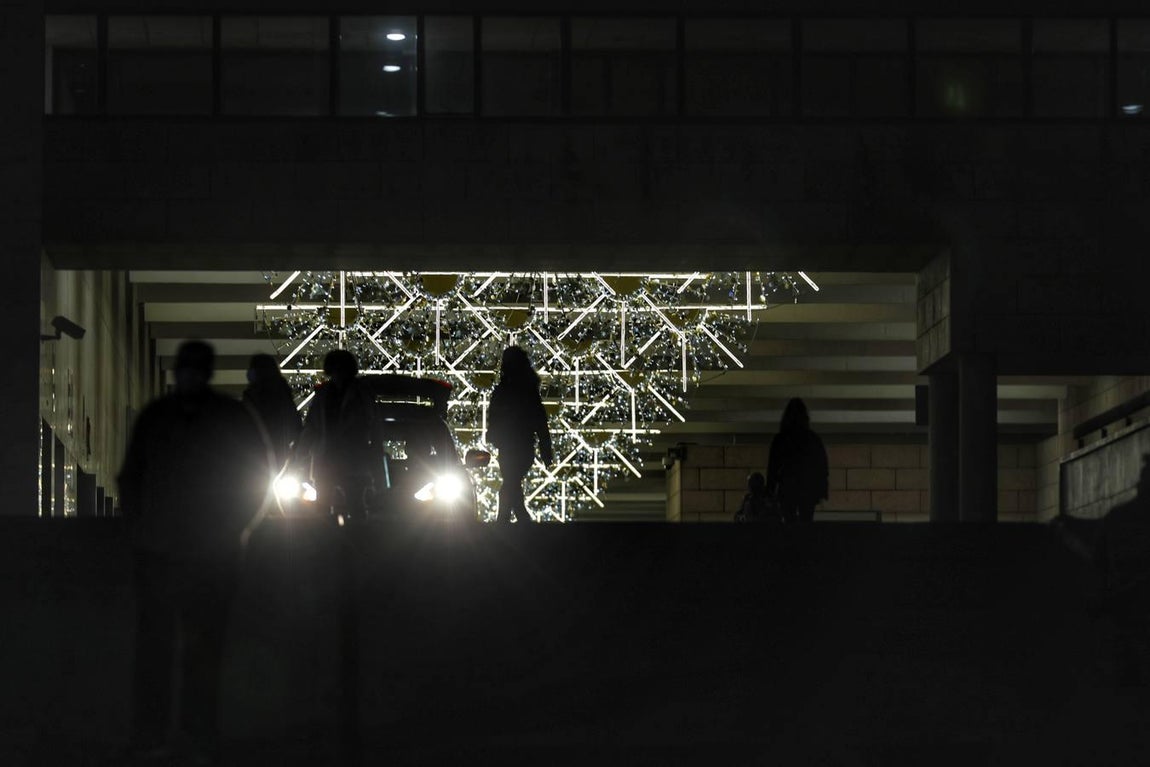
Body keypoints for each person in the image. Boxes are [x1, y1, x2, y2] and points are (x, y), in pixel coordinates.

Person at [117, 340, 273, 765]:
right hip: (210, 551)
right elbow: (257, 476)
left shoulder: (158, 417)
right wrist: (235, 528)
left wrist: (139, 528)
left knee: (157, 646)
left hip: (164, 548)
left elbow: (131, 476)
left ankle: (153, 735)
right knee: (202, 648)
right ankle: (196, 733)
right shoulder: (232, 418)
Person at [292, 349, 376, 515]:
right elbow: (312, 425)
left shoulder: (357, 393)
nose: (338, 374)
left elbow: (312, 426)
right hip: (334, 455)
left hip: (345, 455)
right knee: (332, 503)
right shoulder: (329, 393)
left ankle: (340, 535)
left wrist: (301, 451)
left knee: (351, 502)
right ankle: (342, 535)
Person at [487, 346, 554, 523]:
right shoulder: (526, 390)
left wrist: (493, 434)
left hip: (512, 446)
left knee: (509, 484)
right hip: (520, 446)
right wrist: (546, 450)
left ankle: (507, 523)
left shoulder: (507, 390)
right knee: (511, 484)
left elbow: (494, 415)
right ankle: (519, 523)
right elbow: (540, 421)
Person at [766, 397, 829, 524]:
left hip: (787, 486)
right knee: (806, 520)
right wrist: (822, 490)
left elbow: (773, 467)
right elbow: (822, 467)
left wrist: (770, 490)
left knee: (789, 521)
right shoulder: (813, 439)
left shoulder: (780, 439)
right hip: (807, 487)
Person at [242, 353, 302, 469]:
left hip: (257, 453)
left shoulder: (252, 395)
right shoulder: (282, 393)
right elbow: (295, 424)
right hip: (280, 451)